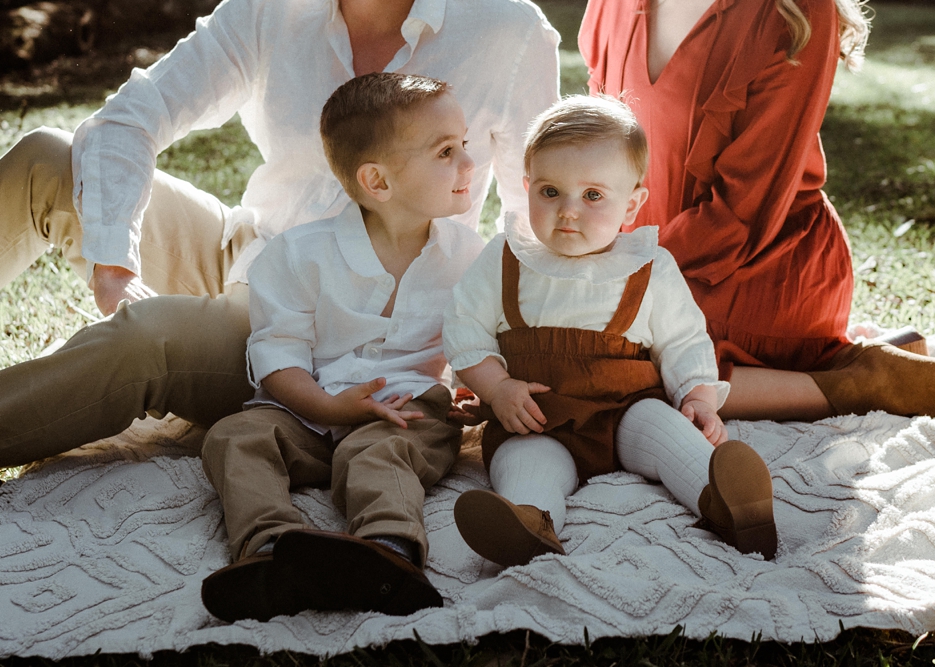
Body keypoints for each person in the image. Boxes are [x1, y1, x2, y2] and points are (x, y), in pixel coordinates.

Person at [0, 0, 558, 467]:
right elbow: (132, 115)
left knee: (147, 339)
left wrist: (492, 366)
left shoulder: (507, 30)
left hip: (326, 332)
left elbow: (535, 215)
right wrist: (115, 260)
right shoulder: (271, 7)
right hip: (251, 250)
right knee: (48, 156)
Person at [578, 0, 935, 425]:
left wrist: (624, 274)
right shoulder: (613, 5)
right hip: (648, 254)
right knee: (559, 346)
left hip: (758, 265)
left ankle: (867, 381)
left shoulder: (796, 12)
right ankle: (835, 363)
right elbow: (597, 150)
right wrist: (595, 253)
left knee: (606, 373)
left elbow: (746, 210)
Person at [444, 95, 778, 568]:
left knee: (669, 433)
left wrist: (698, 400)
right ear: (526, 188)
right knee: (526, 463)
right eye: (550, 192)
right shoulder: (505, 258)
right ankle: (528, 522)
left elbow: (683, 340)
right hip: (539, 417)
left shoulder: (648, 266)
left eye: (593, 195)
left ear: (631, 204)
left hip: (626, 413)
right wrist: (497, 390)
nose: (568, 211)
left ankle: (727, 501)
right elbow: (465, 327)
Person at [199, 73, 485, 623]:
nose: (470, 164)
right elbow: (278, 353)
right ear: (377, 180)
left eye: (465, 144)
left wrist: (486, 391)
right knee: (235, 436)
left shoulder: (468, 257)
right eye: (447, 151)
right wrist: (328, 409)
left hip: (406, 413)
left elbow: (482, 340)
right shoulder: (297, 255)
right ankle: (269, 551)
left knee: (376, 453)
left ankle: (389, 552)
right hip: (307, 410)